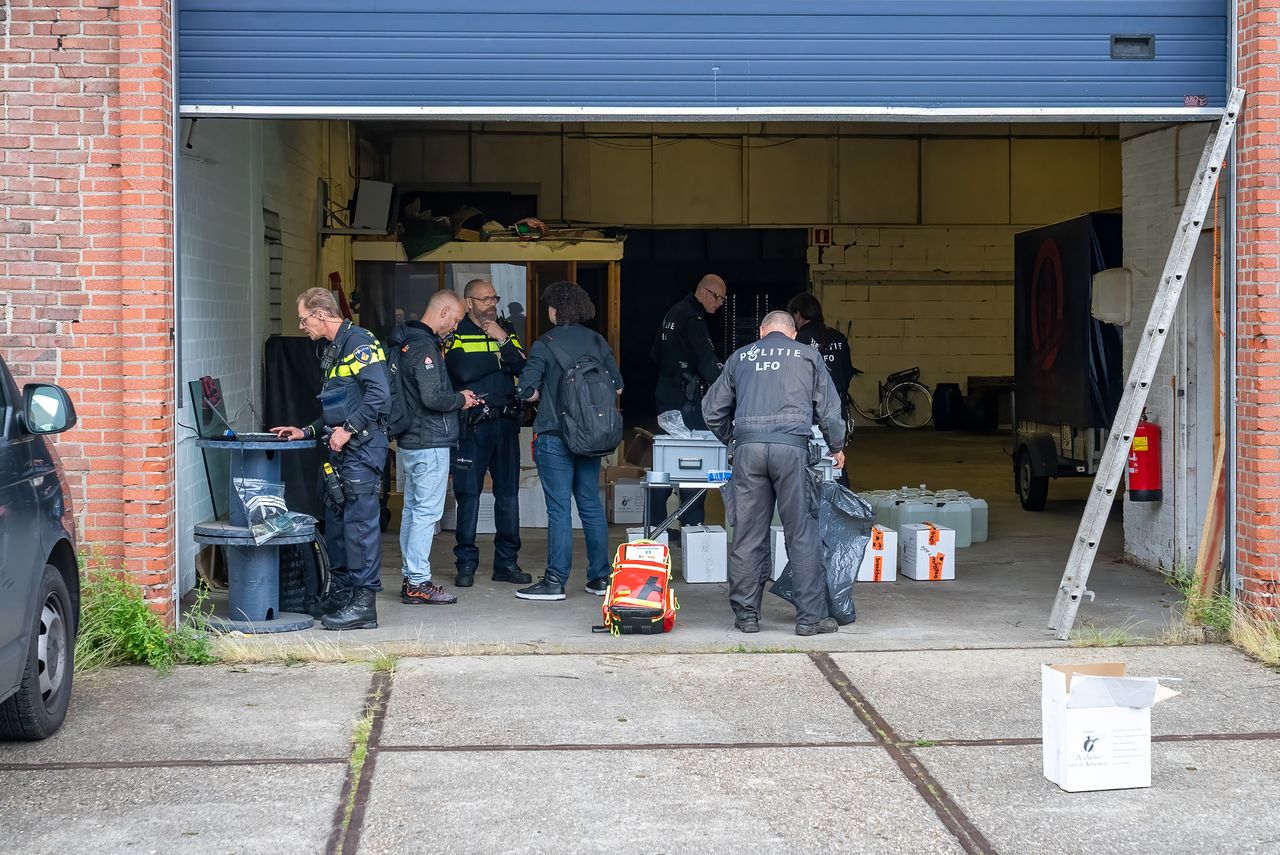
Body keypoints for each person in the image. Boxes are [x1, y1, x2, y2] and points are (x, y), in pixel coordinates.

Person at [702, 310, 846, 636]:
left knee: (747, 534)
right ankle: (809, 619)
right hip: (792, 450)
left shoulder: (741, 357)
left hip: (748, 452)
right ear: (793, 334)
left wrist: (733, 438)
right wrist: (836, 446)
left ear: (762, 331)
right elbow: (830, 410)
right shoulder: (808, 356)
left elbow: (711, 410)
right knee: (802, 533)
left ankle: (747, 616)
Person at [271, 287, 391, 631]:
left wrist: (349, 430)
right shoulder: (334, 349)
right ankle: (341, 595)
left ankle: (364, 605)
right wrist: (306, 431)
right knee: (337, 525)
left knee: (360, 528)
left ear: (320, 315)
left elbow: (379, 394)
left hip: (362, 449)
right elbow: (336, 408)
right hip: (341, 452)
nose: (301, 327)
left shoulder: (359, 343)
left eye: (303, 319)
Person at [514, 280, 623, 601]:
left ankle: (555, 581)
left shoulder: (545, 343)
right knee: (590, 504)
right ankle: (600, 578)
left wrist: (539, 391)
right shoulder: (597, 341)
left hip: (555, 435)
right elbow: (617, 387)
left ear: (555, 310)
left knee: (559, 508)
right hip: (591, 436)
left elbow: (528, 391)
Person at [394, 289, 480, 606]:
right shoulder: (424, 347)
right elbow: (432, 398)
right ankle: (418, 581)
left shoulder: (406, 341)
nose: (454, 327)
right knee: (426, 513)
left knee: (413, 511)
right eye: (455, 320)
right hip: (429, 440)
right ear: (443, 312)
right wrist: (461, 399)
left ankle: (411, 577)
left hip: (412, 440)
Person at [445, 279, 531, 588]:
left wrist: (504, 341)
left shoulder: (505, 329)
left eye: (494, 298)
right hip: (472, 426)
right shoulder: (456, 330)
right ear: (468, 303)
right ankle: (466, 563)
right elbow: (461, 370)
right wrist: (499, 359)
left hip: (505, 423)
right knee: (468, 495)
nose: (491, 304)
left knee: (508, 495)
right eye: (485, 299)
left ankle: (506, 563)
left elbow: (524, 368)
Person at [650, 273, 727, 531]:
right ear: (703, 291)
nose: (719, 303)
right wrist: (728, 385)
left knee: (664, 462)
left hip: (666, 398)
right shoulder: (693, 318)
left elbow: (655, 353)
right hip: (686, 400)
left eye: (723, 299)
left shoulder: (673, 312)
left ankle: (657, 526)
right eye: (717, 297)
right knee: (694, 459)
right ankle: (692, 525)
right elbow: (706, 360)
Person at [788, 292, 855, 423]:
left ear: (797, 314)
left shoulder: (796, 340)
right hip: (836, 409)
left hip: (806, 411)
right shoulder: (839, 337)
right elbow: (848, 371)